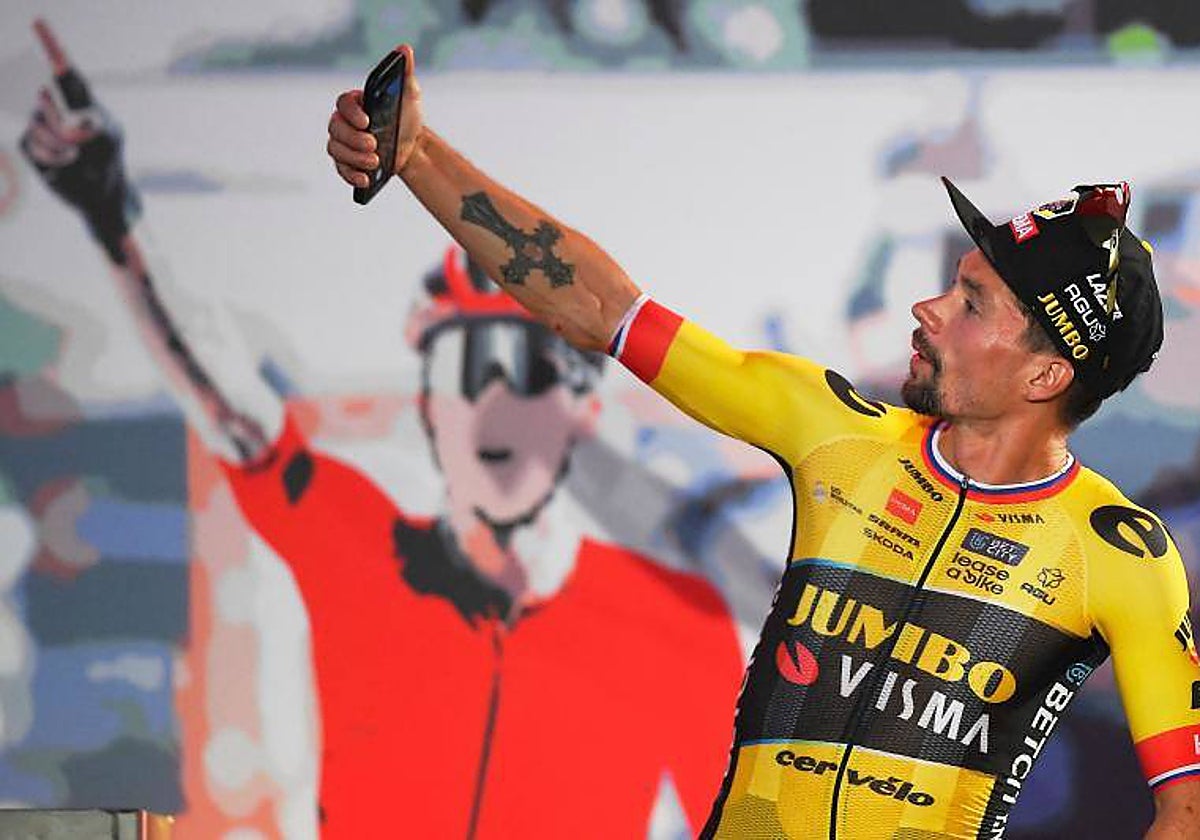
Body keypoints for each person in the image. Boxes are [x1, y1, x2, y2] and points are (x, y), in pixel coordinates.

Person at [326, 43, 1200, 839]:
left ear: (1047, 375)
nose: (928, 309)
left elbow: (1186, 809)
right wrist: (417, 155)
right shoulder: (829, 428)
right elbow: (600, 307)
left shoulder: (1117, 553)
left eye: (971, 305)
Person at [20, 21, 744, 839]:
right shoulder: (360, 547)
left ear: (587, 407)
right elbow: (227, 401)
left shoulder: (675, 621)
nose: (495, 402)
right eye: (468, 368)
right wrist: (113, 214)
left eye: (531, 371)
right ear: (428, 403)